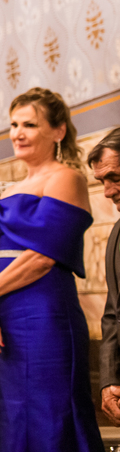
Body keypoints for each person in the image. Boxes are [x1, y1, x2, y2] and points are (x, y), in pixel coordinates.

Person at [0, 90, 120, 452]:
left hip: (45, 315)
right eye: (14, 124)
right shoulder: (7, 191)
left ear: (58, 131)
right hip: (3, 321)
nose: (18, 133)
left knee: (52, 419)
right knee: (12, 420)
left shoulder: (65, 177)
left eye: (30, 124)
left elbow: (41, 258)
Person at [94, 128, 120, 425]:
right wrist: (109, 381)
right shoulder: (116, 234)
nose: (108, 191)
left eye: (115, 177)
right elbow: (113, 314)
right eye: (102, 181)